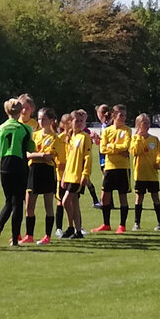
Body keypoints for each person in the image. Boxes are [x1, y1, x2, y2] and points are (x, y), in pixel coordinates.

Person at [0, 98, 36, 247]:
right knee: (18, 204)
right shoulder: (25, 129)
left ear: (6, 111)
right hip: (19, 165)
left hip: (4, 166)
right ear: (20, 111)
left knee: (9, 201)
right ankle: (15, 239)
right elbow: (31, 148)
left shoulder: (0, 128)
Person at [21, 107, 63, 245]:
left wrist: (40, 155)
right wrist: (41, 155)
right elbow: (27, 154)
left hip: (47, 172)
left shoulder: (55, 138)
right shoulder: (34, 135)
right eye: (39, 118)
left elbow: (50, 157)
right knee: (29, 206)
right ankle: (29, 235)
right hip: (33, 171)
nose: (41, 121)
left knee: (48, 205)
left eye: (44, 118)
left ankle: (47, 236)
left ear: (51, 120)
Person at [93, 105, 132, 234]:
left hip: (123, 167)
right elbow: (102, 149)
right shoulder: (107, 131)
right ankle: (106, 224)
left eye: (125, 115)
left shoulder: (127, 130)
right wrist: (118, 150)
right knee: (105, 197)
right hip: (109, 167)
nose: (123, 118)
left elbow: (126, 145)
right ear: (114, 116)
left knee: (122, 196)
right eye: (121, 115)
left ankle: (122, 225)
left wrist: (111, 147)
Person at [59, 111, 93, 239]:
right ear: (70, 122)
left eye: (80, 121)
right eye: (76, 121)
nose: (79, 123)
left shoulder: (84, 137)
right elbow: (68, 159)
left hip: (77, 176)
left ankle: (71, 227)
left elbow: (88, 157)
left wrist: (85, 174)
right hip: (69, 175)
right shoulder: (70, 138)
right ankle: (76, 230)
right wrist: (63, 176)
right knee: (74, 203)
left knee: (65, 201)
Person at [129, 113, 160, 232]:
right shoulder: (134, 139)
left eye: (148, 122)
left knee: (155, 197)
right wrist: (139, 138)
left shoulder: (154, 139)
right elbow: (134, 152)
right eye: (144, 123)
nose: (147, 125)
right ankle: (136, 223)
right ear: (138, 125)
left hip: (152, 174)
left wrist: (159, 164)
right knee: (139, 198)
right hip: (140, 174)